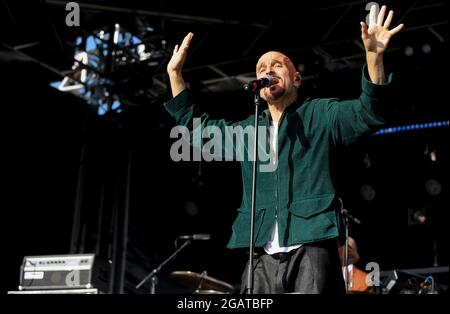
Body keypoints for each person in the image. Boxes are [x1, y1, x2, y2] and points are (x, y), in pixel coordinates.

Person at [164, 5, 403, 294]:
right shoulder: (248, 131)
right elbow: (197, 132)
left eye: (277, 64)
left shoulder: (320, 114)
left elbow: (369, 112)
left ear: (296, 78)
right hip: (261, 253)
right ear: (258, 87)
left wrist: (374, 57)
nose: (268, 70)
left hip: (312, 244)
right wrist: (175, 74)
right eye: (262, 69)